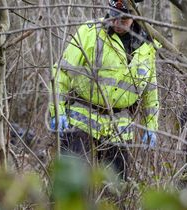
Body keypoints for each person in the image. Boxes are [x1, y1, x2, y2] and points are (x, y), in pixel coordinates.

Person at [49, 0, 160, 179]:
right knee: (69, 185)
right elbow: (62, 72)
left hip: (120, 128)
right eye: (113, 16)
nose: (116, 23)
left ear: (134, 16)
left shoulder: (146, 46)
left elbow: (150, 91)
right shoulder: (90, 31)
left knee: (115, 190)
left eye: (123, 19)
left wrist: (151, 125)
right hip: (81, 120)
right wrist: (57, 109)